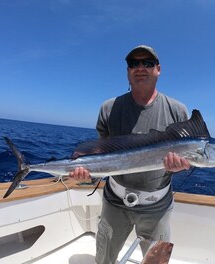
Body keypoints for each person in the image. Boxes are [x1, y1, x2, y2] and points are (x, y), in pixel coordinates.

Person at [70, 45, 191, 264]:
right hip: (114, 202)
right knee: (104, 259)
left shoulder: (178, 110)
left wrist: (181, 166)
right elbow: (101, 155)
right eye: (134, 63)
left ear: (158, 69)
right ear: (128, 71)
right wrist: (87, 173)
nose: (140, 68)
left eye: (147, 63)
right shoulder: (109, 108)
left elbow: (186, 158)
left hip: (157, 205)